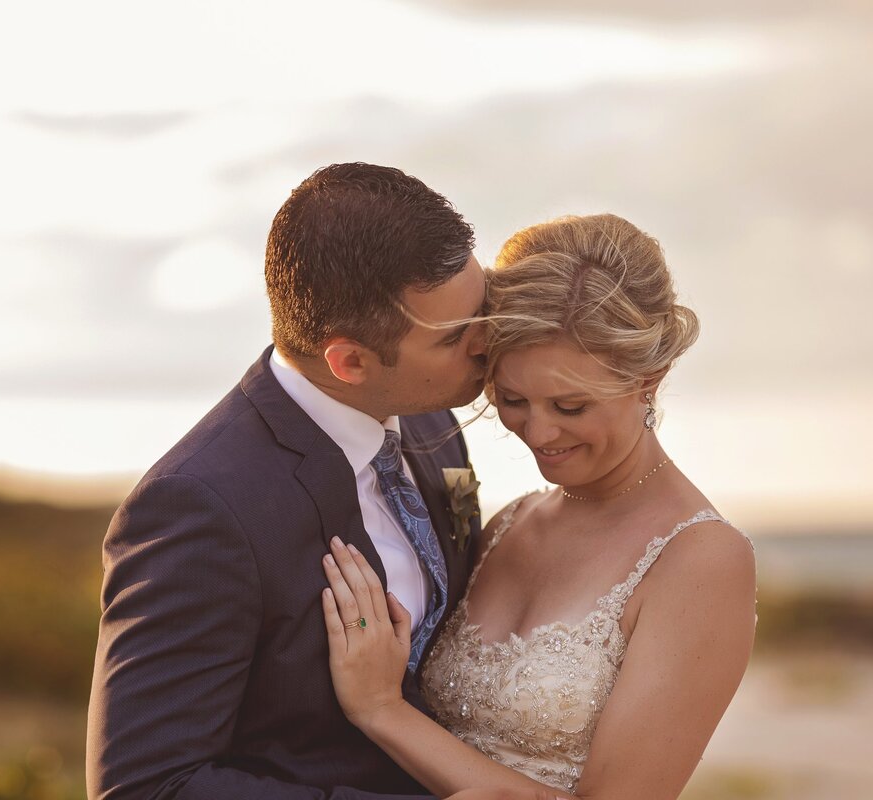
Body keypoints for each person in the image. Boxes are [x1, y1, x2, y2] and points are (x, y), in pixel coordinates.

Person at [87, 163, 564, 800]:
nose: (489, 342)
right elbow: (146, 787)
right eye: (455, 337)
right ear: (349, 361)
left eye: (483, 307)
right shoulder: (198, 505)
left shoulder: (431, 426)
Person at [320, 214, 757, 799]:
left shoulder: (703, 560)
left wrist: (381, 709)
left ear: (648, 380)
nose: (540, 432)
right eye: (514, 398)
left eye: (571, 406)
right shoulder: (510, 523)